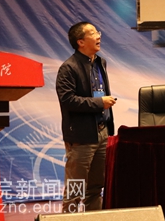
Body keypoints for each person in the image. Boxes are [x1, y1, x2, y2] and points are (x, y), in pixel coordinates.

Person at [56, 21, 117, 213]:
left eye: (98, 31)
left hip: (102, 133)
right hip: (81, 137)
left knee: (96, 188)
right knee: (76, 190)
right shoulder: (68, 68)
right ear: (80, 42)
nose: (98, 36)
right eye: (93, 33)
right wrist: (99, 103)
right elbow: (68, 100)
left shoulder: (100, 62)